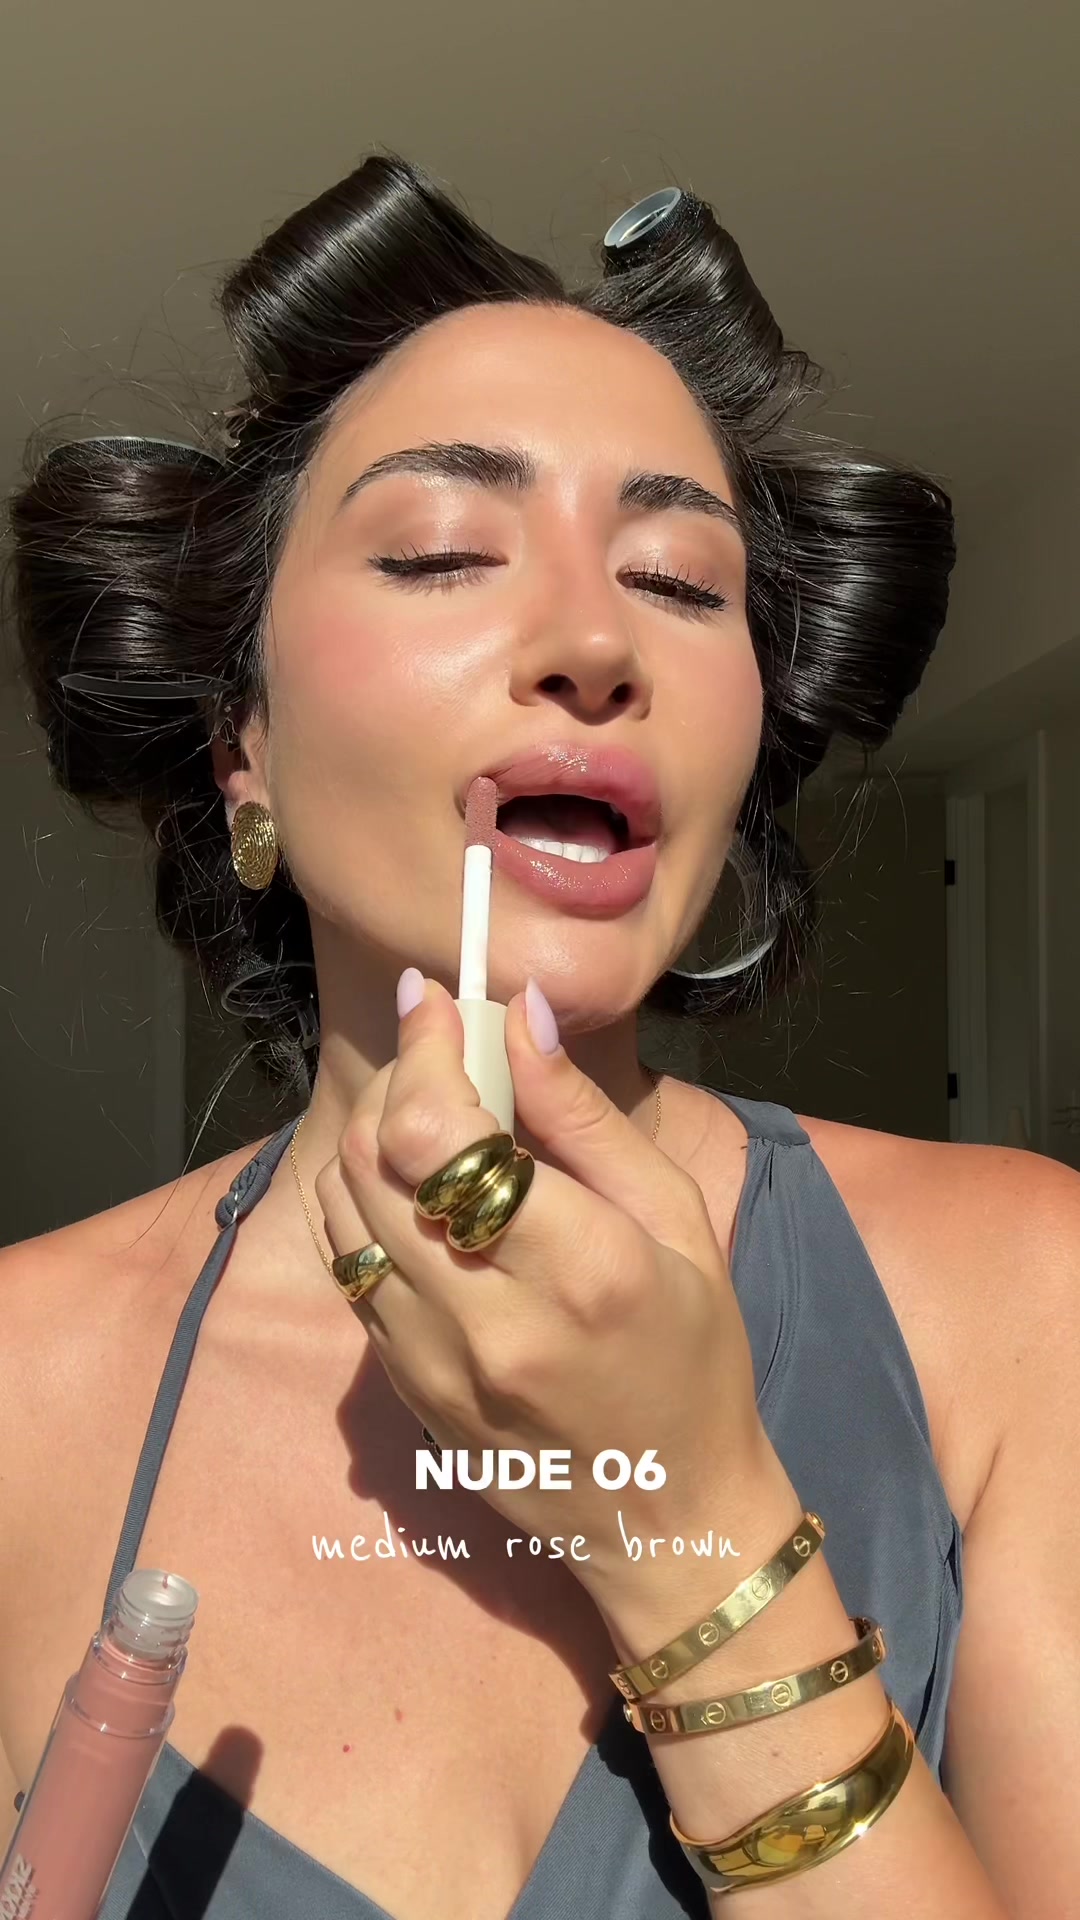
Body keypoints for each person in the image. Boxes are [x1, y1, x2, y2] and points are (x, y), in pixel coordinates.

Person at [0, 154, 1074, 1920]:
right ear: (241, 741)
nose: (593, 640)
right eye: (439, 552)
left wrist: (690, 1529)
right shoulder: (24, 1382)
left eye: (681, 581)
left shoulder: (1029, 1298)